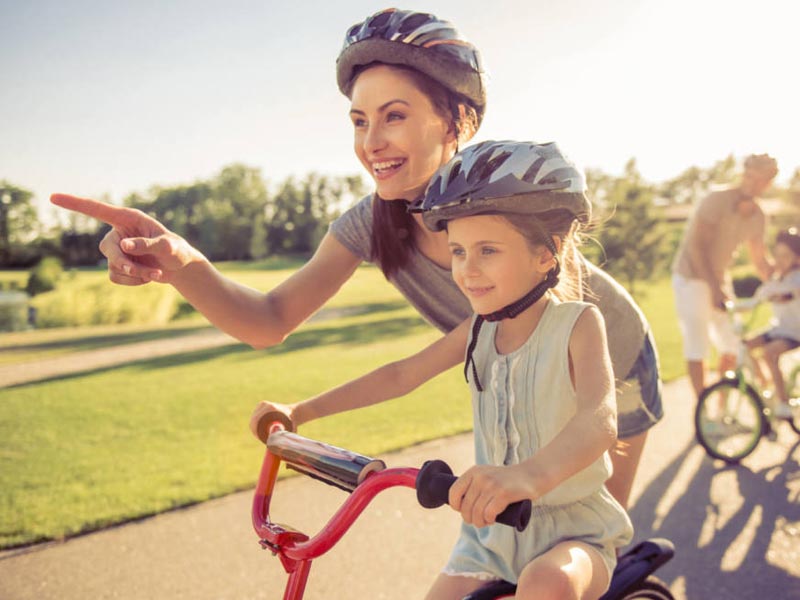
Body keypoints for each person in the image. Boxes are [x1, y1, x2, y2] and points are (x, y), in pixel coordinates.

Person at [49, 7, 660, 510]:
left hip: (608, 369)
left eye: (395, 116)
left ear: (457, 121)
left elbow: (565, 371)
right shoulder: (372, 222)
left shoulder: (507, 204)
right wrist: (183, 263)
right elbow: (269, 321)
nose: (372, 143)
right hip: (525, 380)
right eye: (360, 120)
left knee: (581, 541)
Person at [251, 141, 633, 599]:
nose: (467, 270)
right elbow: (400, 375)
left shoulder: (577, 324)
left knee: (546, 586)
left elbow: (600, 418)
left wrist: (528, 476)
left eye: (487, 250)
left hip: (574, 532)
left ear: (546, 255)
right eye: (457, 251)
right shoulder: (476, 331)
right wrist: (301, 410)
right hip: (490, 537)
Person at [671, 153, 778, 398]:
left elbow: (760, 259)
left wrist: (784, 284)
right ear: (743, 173)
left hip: (719, 279)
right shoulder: (716, 200)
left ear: (768, 183)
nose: (752, 183)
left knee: (732, 345)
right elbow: (697, 249)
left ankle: (721, 408)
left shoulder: (758, 216)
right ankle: (703, 410)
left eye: (760, 180)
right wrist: (715, 289)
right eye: (749, 176)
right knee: (698, 346)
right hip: (692, 278)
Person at [745, 228, 800, 418]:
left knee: (769, 353)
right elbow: (757, 299)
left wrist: (781, 295)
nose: (780, 260)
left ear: (797, 259)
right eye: (777, 255)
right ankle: (767, 383)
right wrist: (734, 306)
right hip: (779, 328)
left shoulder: (796, 278)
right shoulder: (775, 280)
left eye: (786, 256)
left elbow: (791, 292)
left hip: (795, 333)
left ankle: (783, 402)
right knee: (745, 345)